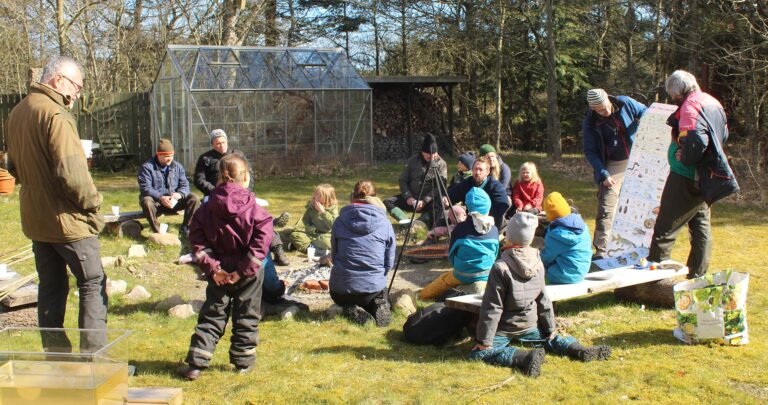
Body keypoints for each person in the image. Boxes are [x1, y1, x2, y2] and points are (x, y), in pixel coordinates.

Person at [5, 55, 107, 351]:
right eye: (76, 86)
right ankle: (95, 360)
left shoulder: (18, 112)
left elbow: (12, 167)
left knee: (51, 287)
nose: (77, 94)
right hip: (68, 223)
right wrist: (94, 202)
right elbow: (72, 175)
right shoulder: (56, 115)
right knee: (92, 284)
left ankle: (57, 357)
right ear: (57, 80)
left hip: (36, 220)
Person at [469, 212, 611, 378]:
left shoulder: (500, 267)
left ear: (509, 237)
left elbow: (492, 307)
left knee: (478, 354)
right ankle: (579, 350)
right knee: (550, 340)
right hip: (530, 324)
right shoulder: (538, 261)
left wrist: (484, 342)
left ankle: (524, 357)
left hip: (506, 328)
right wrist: (550, 329)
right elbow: (544, 300)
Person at [179, 154, 273, 380]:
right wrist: (241, 271)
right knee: (247, 315)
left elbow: (196, 238)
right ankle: (243, 363)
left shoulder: (206, 207)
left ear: (219, 177)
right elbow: (262, 244)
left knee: (212, 314)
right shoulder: (256, 210)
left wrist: (214, 268)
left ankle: (196, 364)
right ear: (246, 177)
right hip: (247, 273)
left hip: (218, 272)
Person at [647, 70, 739, 278]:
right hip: (707, 175)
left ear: (678, 92)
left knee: (665, 226)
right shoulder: (712, 102)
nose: (673, 99)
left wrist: (685, 156)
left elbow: (697, 139)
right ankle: (697, 275)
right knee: (700, 227)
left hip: (687, 176)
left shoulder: (690, 106)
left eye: (673, 95)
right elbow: (723, 134)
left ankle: (652, 277)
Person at [192, 129, 289, 266]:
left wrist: (245, 191)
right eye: (217, 143)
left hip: (240, 195)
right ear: (212, 144)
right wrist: (217, 191)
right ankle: (272, 223)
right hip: (215, 196)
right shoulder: (205, 159)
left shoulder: (238, 155)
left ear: (227, 141)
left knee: (257, 218)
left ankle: (277, 247)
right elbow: (199, 179)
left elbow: (250, 174)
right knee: (210, 214)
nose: (221, 145)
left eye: (223, 142)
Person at [582, 88, 648, 259]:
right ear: (593, 109)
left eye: (607, 107)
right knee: (607, 204)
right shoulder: (590, 123)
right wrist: (603, 174)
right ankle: (601, 250)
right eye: (601, 110)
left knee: (642, 203)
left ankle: (642, 244)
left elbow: (646, 111)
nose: (606, 111)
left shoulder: (624, 102)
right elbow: (590, 151)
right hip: (613, 164)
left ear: (608, 100)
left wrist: (642, 122)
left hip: (638, 157)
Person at [329, 180, 396, 327]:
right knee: (377, 292)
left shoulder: (339, 221)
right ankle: (377, 304)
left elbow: (334, 256)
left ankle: (349, 308)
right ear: (376, 198)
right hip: (371, 288)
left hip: (340, 289)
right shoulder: (385, 223)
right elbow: (389, 262)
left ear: (352, 196)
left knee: (345, 297)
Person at [420, 187, 499, 300]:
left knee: (444, 280)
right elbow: (495, 253)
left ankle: (422, 295)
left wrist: (458, 266)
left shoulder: (461, 229)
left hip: (463, 273)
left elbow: (452, 253)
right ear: (488, 207)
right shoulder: (494, 229)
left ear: (468, 208)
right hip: (487, 273)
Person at [138, 139, 200, 235]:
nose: (169, 159)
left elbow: (185, 184)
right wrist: (161, 197)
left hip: (174, 202)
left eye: (171, 156)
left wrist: (179, 194)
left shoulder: (178, 166)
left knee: (194, 198)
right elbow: (146, 188)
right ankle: (158, 231)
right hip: (156, 203)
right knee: (146, 201)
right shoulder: (147, 168)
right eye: (166, 156)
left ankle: (186, 229)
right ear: (158, 154)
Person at [384, 134, 448, 228]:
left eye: (433, 156)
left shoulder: (441, 164)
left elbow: (439, 187)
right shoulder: (412, 161)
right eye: (428, 157)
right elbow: (403, 180)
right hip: (412, 199)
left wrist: (425, 201)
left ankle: (419, 224)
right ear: (423, 152)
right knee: (388, 202)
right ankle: (406, 221)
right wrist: (409, 197)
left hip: (429, 201)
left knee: (439, 206)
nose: (431, 159)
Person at [540, 192, 592, 284]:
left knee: (537, 270)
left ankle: (543, 295)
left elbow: (547, 257)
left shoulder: (556, 234)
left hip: (562, 274)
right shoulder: (582, 225)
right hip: (582, 270)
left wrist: (537, 256)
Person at [447, 156, 510, 231]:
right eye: (475, 169)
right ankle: (435, 234)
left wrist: (484, 217)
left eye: (480, 169)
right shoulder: (467, 183)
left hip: (491, 222)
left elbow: (503, 204)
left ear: (487, 172)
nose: (477, 172)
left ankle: (501, 229)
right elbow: (453, 194)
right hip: (471, 220)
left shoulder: (495, 186)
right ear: (472, 170)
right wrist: (446, 199)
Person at [286, 183, 339, 254]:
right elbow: (305, 222)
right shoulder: (312, 207)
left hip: (326, 236)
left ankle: (312, 250)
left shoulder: (333, 209)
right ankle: (311, 248)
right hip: (312, 234)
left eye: (318, 195)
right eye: (315, 193)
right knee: (295, 235)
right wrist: (312, 230)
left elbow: (333, 225)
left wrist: (323, 212)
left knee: (327, 243)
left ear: (326, 198)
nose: (314, 196)